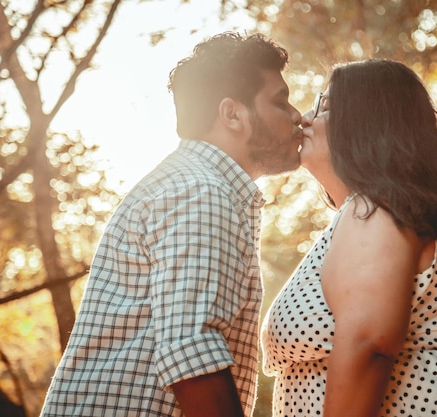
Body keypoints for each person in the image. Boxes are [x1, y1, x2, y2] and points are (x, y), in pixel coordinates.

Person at [40, 32, 302, 417]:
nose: (297, 115)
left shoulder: (193, 184)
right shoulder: (202, 191)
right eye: (281, 101)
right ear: (232, 114)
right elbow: (191, 355)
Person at [261, 59, 437, 417]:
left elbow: (368, 345)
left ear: (367, 124)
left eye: (324, 106)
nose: (305, 118)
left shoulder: (378, 211)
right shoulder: (374, 213)